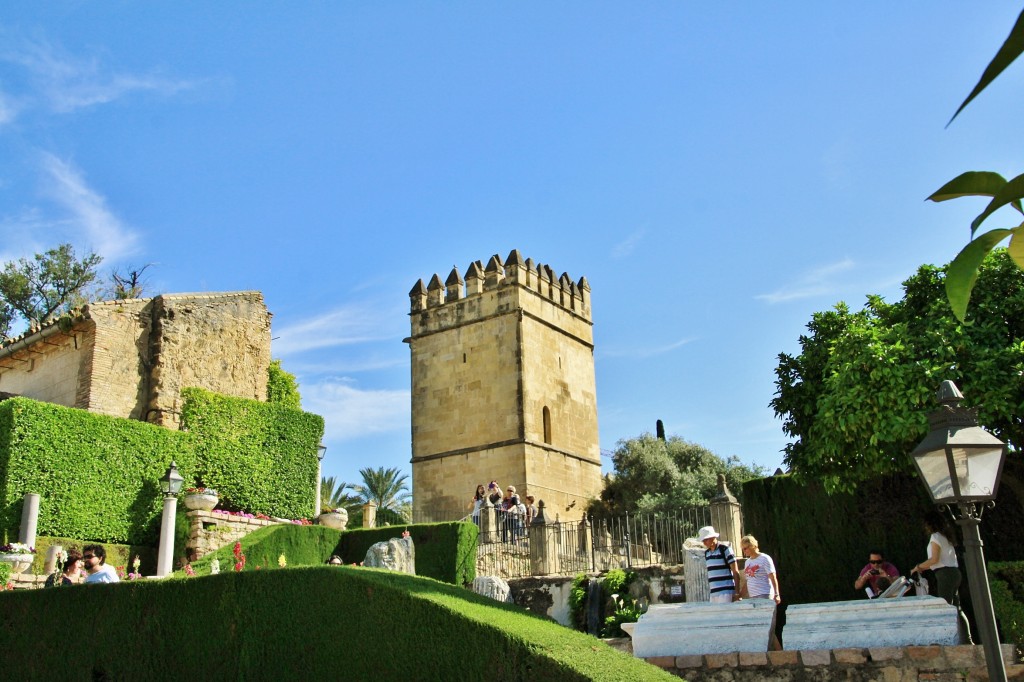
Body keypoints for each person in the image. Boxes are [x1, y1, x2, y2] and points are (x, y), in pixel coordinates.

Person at [912, 511, 972, 642]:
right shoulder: (946, 537)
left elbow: (934, 559)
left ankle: (945, 639)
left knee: (944, 607)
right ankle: (967, 639)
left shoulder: (935, 537)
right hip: (954, 573)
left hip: (945, 574)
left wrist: (918, 567)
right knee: (957, 608)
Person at [699, 525, 740, 603]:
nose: (704, 542)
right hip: (713, 593)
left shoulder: (725, 549)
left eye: (706, 539)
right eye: (703, 540)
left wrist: (737, 592)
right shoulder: (706, 553)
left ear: (713, 537)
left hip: (726, 591)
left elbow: (735, 571)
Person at [740, 535, 780, 604]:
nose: (744, 551)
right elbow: (748, 580)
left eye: (745, 548)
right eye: (742, 549)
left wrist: (777, 594)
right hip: (752, 596)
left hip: (765, 594)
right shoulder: (747, 562)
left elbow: (773, 577)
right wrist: (740, 595)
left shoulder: (765, 558)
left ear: (752, 546)